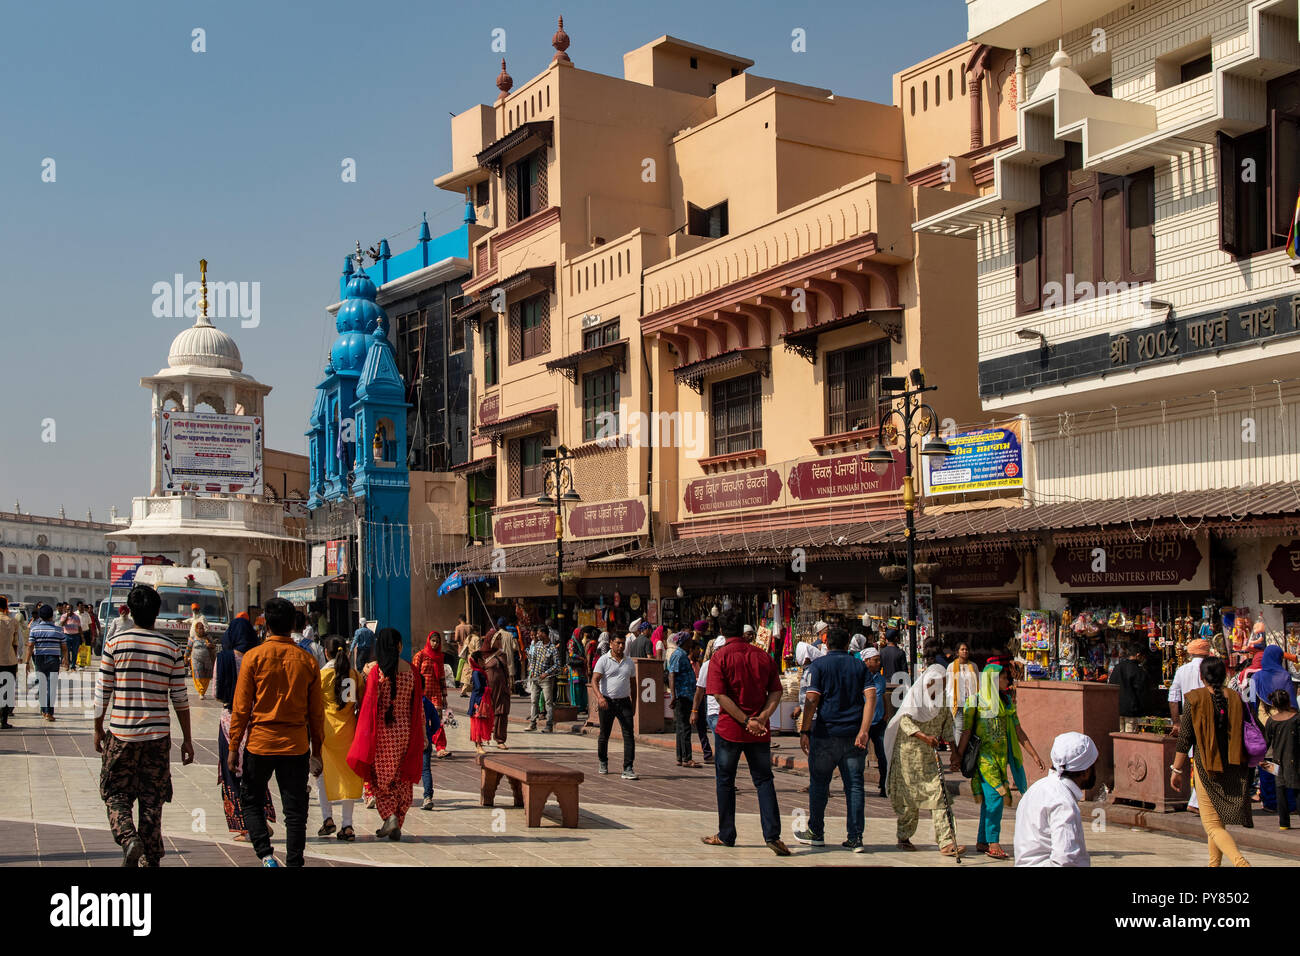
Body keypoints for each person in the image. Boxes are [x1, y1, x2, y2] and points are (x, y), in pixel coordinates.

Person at [92, 585, 195, 866]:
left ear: (130, 611)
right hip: (158, 737)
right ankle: (150, 859)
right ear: (157, 613)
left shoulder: (114, 644)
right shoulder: (171, 648)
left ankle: (128, 837)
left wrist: (97, 727)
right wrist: (187, 739)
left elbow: (103, 692)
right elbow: (180, 700)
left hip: (122, 734)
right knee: (152, 801)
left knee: (115, 793)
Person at [227, 597, 325, 867]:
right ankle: (294, 862)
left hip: (260, 743)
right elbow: (317, 714)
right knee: (295, 811)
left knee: (251, 800)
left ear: (266, 625)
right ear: (293, 624)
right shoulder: (307, 661)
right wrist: (317, 752)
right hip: (295, 746)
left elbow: (241, 707)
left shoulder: (253, 658)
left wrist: (234, 746)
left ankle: (266, 855)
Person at [702, 610, 789, 856]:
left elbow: (719, 695)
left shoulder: (720, 657)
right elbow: (776, 692)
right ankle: (772, 834)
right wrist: (761, 718)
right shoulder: (763, 656)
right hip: (759, 731)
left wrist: (745, 720)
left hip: (731, 728)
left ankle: (726, 834)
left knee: (725, 781)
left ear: (721, 631)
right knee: (763, 780)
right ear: (743, 630)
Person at [794, 627, 873, 852]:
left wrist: (805, 730)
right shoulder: (859, 666)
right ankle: (856, 837)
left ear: (826, 644)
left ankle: (816, 831)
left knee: (819, 785)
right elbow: (871, 696)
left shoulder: (818, 666)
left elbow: (811, 700)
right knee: (855, 787)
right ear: (848, 643)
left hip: (825, 735)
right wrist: (864, 730)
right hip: (853, 735)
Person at [882, 638, 964, 856]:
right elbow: (905, 722)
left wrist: (955, 753)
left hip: (928, 757)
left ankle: (947, 841)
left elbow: (948, 728)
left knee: (940, 796)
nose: (937, 687)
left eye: (942, 683)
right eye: (933, 683)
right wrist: (925, 737)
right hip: (907, 754)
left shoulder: (943, 703)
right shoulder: (915, 698)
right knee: (909, 800)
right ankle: (904, 836)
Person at [1169, 656, 1252, 867]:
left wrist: (1176, 770)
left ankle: (1241, 863)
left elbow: (1185, 738)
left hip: (1206, 766)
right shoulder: (1235, 697)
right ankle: (1213, 864)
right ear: (1225, 675)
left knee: (1212, 825)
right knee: (1217, 821)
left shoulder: (1194, 699)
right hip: (1234, 765)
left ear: (1201, 676)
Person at [957, 662, 1045, 861]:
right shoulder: (975, 702)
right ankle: (994, 843)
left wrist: (1034, 754)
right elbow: (967, 731)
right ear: (993, 680)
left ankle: (982, 840)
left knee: (990, 801)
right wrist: (958, 755)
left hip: (1001, 760)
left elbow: (1018, 731)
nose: (1008, 681)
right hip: (984, 760)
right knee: (997, 797)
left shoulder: (1006, 703)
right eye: (1004, 678)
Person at [347, 628, 424, 840]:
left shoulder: (376, 672)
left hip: (381, 735)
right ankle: (396, 821)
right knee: (401, 778)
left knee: (381, 779)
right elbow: (417, 708)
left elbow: (368, 706)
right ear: (399, 646)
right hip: (405, 732)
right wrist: (422, 735)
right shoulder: (412, 672)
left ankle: (389, 816)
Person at [213, 613, 276, 840]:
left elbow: (216, 693)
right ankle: (261, 820)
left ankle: (248, 827)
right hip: (257, 722)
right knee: (254, 773)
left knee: (233, 773)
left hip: (230, 721)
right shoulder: (260, 657)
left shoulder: (224, 658)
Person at [1013, 731, 1098, 867]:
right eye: (1094, 766)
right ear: (1086, 771)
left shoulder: (1037, 788)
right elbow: (1065, 859)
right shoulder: (1063, 802)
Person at [316, 637, 362, 841]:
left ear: (326, 652)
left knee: (322, 775)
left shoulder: (322, 675)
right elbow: (362, 698)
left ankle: (327, 818)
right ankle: (348, 825)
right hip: (349, 731)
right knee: (347, 776)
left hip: (327, 732)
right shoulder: (353, 674)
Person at [1251, 644, 1298, 815]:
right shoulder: (1285, 676)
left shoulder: (1256, 678)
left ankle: (1270, 801)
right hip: (1285, 725)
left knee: (1267, 762)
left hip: (1263, 725)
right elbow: (1293, 704)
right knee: (1286, 762)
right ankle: (1290, 803)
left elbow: (1251, 703)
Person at [1168, 637, 1210, 814]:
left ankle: (1196, 799)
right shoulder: (1208, 669)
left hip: (1188, 716)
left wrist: (1176, 722)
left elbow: (1173, 697)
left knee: (1194, 758)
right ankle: (1197, 800)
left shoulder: (1182, 670)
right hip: (1206, 716)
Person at [591, 632, 638, 778]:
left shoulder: (629, 662)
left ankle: (628, 767)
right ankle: (603, 761)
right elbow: (594, 680)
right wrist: (600, 697)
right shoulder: (603, 660)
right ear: (611, 643)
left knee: (629, 734)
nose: (621, 646)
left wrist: (634, 704)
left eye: (623, 643)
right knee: (605, 734)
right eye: (618, 643)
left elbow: (633, 684)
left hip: (624, 702)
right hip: (607, 702)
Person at [1261, 689, 1300, 830]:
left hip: (1276, 759)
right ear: (1289, 701)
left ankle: (1284, 823)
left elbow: (1266, 742)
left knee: (1280, 791)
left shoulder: (1271, 721)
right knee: (1297, 790)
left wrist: (1260, 759)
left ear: (1274, 704)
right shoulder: (1296, 718)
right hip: (1294, 759)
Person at [24, 604, 68, 721]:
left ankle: (44, 711)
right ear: (51, 616)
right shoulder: (58, 629)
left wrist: (27, 662)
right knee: (51, 686)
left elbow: (30, 646)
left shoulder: (35, 629)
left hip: (39, 659)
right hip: (53, 659)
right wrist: (66, 659)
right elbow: (64, 647)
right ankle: (49, 713)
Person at [413, 631, 451, 765]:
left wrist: (444, 696)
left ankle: (440, 748)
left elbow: (441, 677)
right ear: (429, 641)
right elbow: (414, 674)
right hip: (422, 692)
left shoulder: (440, 657)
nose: (435, 644)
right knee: (421, 721)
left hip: (435, 692)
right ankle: (421, 745)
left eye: (437, 642)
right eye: (433, 641)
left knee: (438, 720)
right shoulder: (420, 655)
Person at [667, 632, 701, 768]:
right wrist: (674, 696)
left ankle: (681, 757)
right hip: (683, 695)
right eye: (689, 641)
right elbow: (672, 675)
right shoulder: (679, 655)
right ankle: (687, 757)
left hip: (684, 694)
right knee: (685, 727)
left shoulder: (681, 655)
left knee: (681, 727)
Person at [1109, 638, 1151, 732]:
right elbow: (1141, 691)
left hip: (1117, 708)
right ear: (1138, 655)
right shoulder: (1138, 671)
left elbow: (1111, 685)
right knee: (1130, 736)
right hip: (1131, 711)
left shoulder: (1117, 667)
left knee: (1118, 735)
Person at [863, 647, 888, 797]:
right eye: (875, 660)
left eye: (879, 660)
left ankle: (884, 785)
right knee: (860, 755)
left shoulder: (880, 679)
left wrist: (885, 712)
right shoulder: (860, 677)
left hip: (879, 722)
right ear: (867, 661)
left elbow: (882, 696)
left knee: (883, 755)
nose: (879, 663)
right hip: (864, 724)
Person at [526, 626, 559, 732]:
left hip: (546, 680)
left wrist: (546, 673)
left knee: (548, 702)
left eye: (539, 633)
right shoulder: (537, 645)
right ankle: (532, 723)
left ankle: (549, 725)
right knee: (533, 701)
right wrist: (532, 671)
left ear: (544, 634)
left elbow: (557, 665)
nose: (537, 635)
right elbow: (533, 659)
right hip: (535, 678)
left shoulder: (553, 648)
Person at [690, 635, 717, 764]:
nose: (699, 652)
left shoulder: (699, 664)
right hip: (706, 703)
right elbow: (700, 688)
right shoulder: (706, 665)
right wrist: (694, 710)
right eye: (697, 649)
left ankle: (708, 754)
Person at [483, 632, 513, 747]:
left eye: (500, 639)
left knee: (501, 712)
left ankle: (500, 740)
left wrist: (508, 686)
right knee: (485, 712)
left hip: (501, 689)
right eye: (497, 639)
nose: (499, 642)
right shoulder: (482, 655)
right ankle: (484, 736)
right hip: (487, 690)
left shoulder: (502, 655)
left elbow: (506, 672)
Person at [947, 642, 980, 744]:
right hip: (957, 701)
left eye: (966, 649)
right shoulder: (951, 667)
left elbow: (977, 682)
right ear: (957, 652)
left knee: (971, 727)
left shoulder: (973, 666)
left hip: (971, 701)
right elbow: (948, 685)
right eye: (962, 649)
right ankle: (958, 754)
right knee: (959, 727)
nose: (965, 651)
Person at [467, 650, 493, 754]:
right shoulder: (477, 672)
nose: (485, 660)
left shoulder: (479, 671)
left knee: (481, 721)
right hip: (478, 700)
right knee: (478, 723)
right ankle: (478, 745)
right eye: (483, 659)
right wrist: (486, 691)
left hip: (480, 699)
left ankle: (480, 744)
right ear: (479, 660)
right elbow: (478, 687)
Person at [0, 597, 20, 729]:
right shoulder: (13, 621)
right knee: (6, 691)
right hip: (9, 661)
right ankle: (4, 721)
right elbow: (15, 644)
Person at [187, 617, 217, 699]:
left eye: (202, 628)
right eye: (199, 629)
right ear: (196, 630)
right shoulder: (192, 639)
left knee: (206, 677)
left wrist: (210, 645)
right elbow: (188, 649)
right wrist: (185, 657)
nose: (201, 630)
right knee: (197, 675)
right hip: (195, 660)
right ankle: (200, 690)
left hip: (207, 660)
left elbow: (214, 646)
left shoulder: (208, 637)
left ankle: (203, 692)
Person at [567, 628, 589, 713]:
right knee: (576, 689)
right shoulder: (572, 642)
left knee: (582, 688)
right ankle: (577, 707)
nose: (581, 636)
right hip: (574, 669)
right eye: (580, 634)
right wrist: (582, 658)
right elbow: (571, 653)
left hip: (581, 669)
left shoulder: (579, 642)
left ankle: (582, 706)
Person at [61, 603, 83, 672]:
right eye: (67, 609)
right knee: (66, 651)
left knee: (75, 651)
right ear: (66, 609)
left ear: (72, 609)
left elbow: (79, 627)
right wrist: (67, 617)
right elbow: (62, 624)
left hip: (75, 636)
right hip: (67, 635)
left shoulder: (76, 617)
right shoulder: (64, 616)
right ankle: (67, 665)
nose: (69, 610)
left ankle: (73, 666)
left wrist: (82, 637)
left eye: (70, 609)